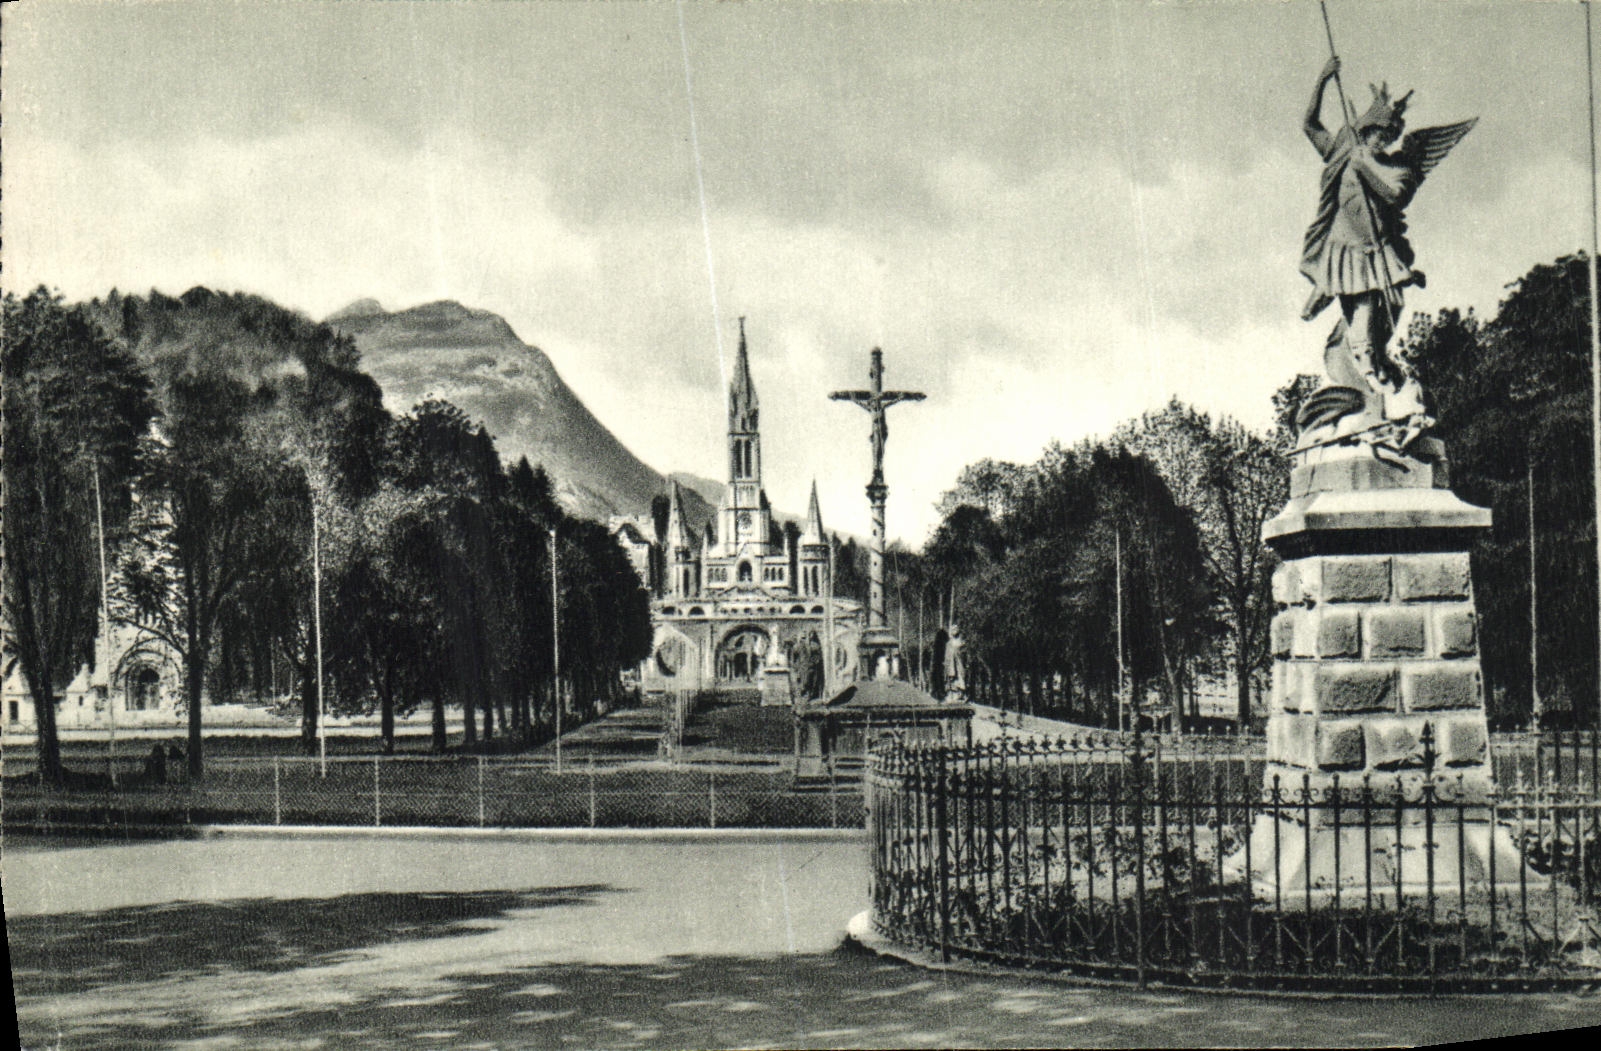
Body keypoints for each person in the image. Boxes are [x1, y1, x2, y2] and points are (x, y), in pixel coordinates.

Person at [1299, 56, 1475, 430]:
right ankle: (1380, 400)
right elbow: (1309, 125)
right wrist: (1323, 80)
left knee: (1370, 336)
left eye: (1389, 136)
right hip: (1342, 256)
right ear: (1364, 129)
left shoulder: (1399, 168)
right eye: (1377, 134)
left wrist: (1367, 167)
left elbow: (1394, 197)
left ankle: (1394, 402)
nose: (1383, 140)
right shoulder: (1344, 153)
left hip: (1377, 261)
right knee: (1359, 334)